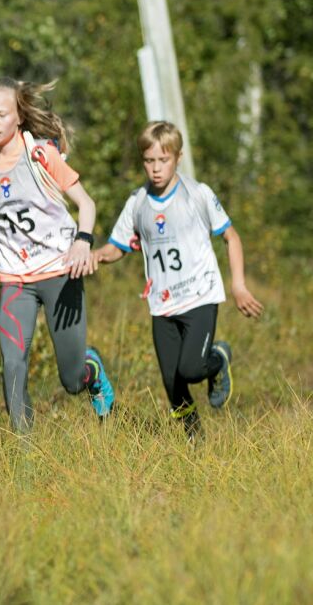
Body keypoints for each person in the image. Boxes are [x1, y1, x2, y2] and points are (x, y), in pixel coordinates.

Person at [0, 77, 114, 433]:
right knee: (13, 364)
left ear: (19, 117)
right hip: (15, 280)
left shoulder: (42, 154)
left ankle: (92, 371)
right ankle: (26, 454)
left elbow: (86, 203)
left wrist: (83, 241)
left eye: (2, 114)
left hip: (60, 271)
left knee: (71, 380)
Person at [92, 121, 263, 438]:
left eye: (163, 160)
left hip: (199, 296)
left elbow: (232, 237)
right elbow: (118, 247)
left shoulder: (197, 194)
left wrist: (238, 285)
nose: (155, 169)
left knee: (192, 369)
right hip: (162, 304)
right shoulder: (137, 202)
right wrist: (98, 255)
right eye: (149, 161)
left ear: (178, 158)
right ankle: (195, 442)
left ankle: (219, 358)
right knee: (173, 384)